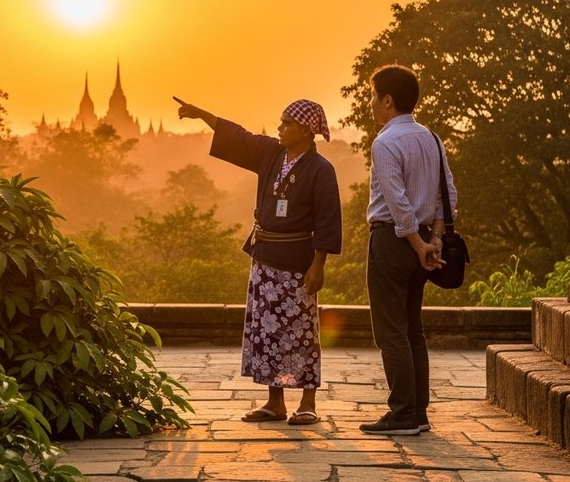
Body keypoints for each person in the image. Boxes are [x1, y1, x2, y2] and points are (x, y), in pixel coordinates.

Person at [175, 96, 342, 425]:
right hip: (265, 255)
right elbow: (239, 136)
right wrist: (202, 114)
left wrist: (318, 264)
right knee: (266, 331)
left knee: (299, 333)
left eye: (286, 123)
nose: (280, 128)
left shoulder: (321, 170)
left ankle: (307, 401)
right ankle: (274, 401)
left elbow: (328, 220)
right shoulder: (271, 153)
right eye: (280, 122)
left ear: (307, 130)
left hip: (298, 262)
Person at [359, 64, 457, 437]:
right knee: (412, 327)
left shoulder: (385, 142)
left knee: (391, 332)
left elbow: (397, 201)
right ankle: (417, 411)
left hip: (394, 240)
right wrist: (433, 238)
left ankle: (402, 413)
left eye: (373, 96)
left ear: (387, 99)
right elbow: (447, 194)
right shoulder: (430, 137)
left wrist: (417, 244)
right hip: (422, 240)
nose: (371, 104)